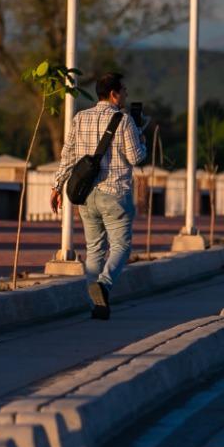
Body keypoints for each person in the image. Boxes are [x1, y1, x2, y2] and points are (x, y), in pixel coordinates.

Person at [50, 71, 147, 320]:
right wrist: (141, 135)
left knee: (94, 249)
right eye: (123, 91)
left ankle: (97, 306)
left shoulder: (79, 118)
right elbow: (136, 157)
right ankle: (103, 284)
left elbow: (68, 155)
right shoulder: (124, 120)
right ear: (114, 94)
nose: (126, 95)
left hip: (86, 193)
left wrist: (57, 186)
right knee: (121, 246)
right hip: (114, 193)